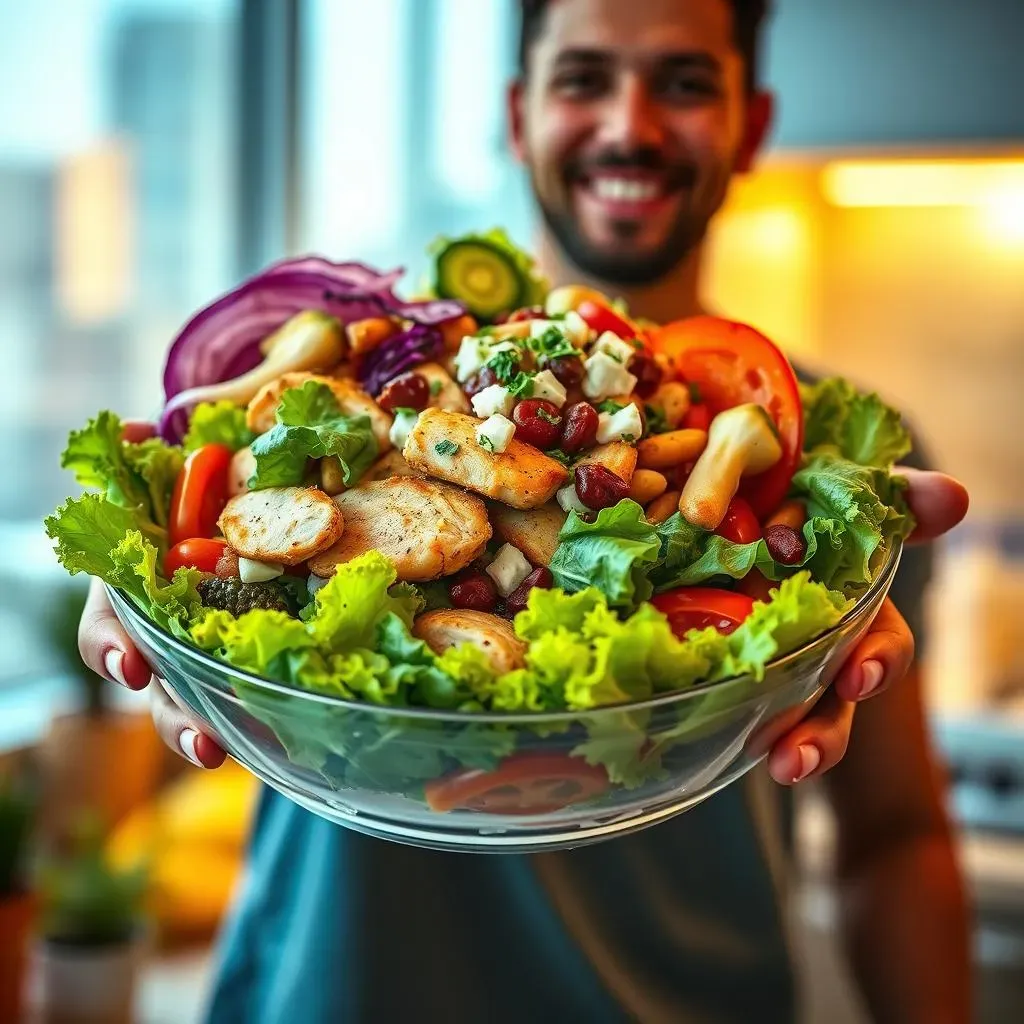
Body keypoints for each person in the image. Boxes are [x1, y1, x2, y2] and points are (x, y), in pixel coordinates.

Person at [79, 1, 973, 1021]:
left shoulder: (833, 462)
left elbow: (893, 835)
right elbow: (217, 573)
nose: (628, 123)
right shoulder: (373, 372)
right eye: (582, 77)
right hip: (331, 990)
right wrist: (158, 581)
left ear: (751, 124)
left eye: (682, 83)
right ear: (517, 113)